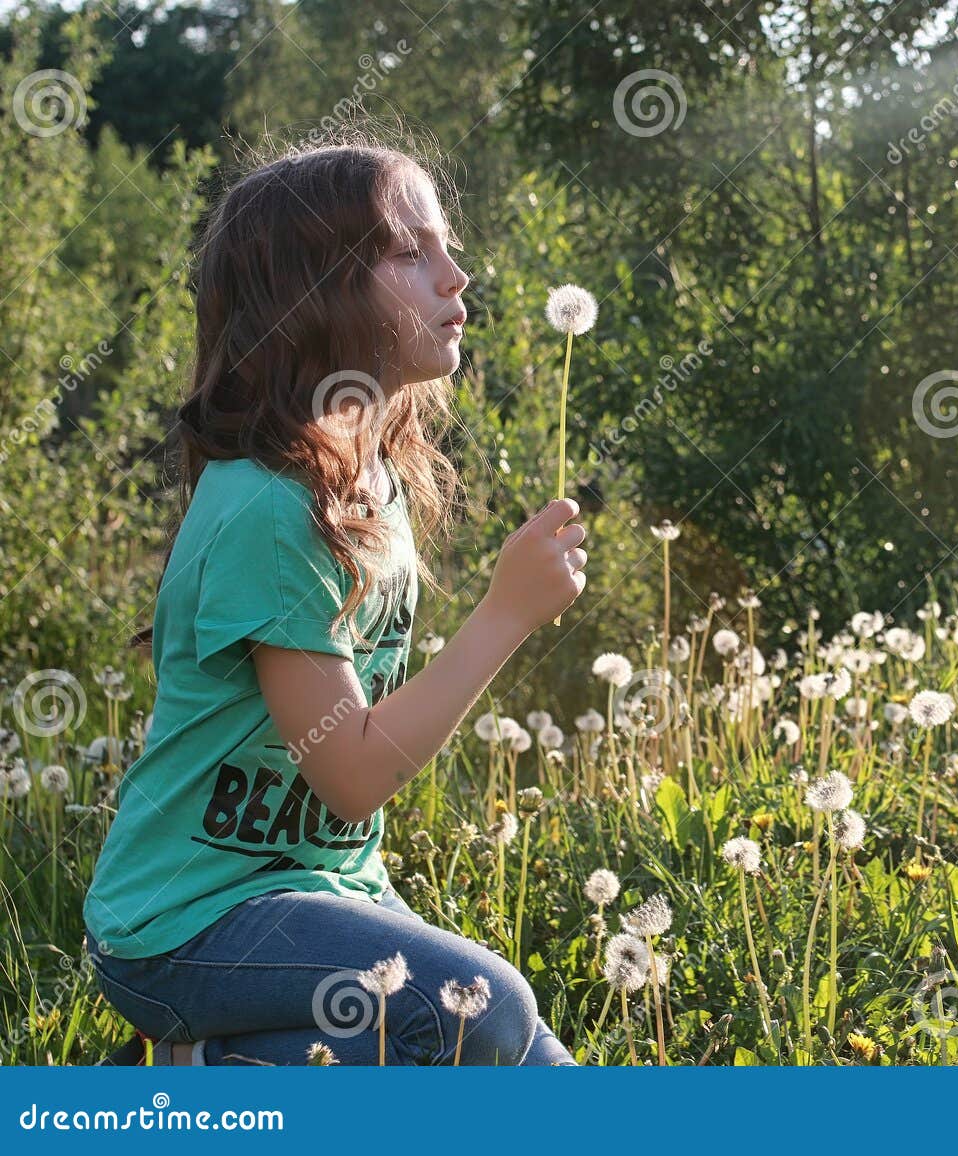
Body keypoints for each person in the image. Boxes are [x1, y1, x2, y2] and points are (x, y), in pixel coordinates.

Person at [82, 139, 588, 1066]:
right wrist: (505, 614)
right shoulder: (271, 507)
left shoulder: (370, 482)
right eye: (411, 252)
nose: (457, 273)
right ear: (316, 296)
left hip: (324, 885)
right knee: (484, 1013)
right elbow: (349, 774)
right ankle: (195, 1083)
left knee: (537, 1070)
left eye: (447, 245)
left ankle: (235, 1052)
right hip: (187, 919)